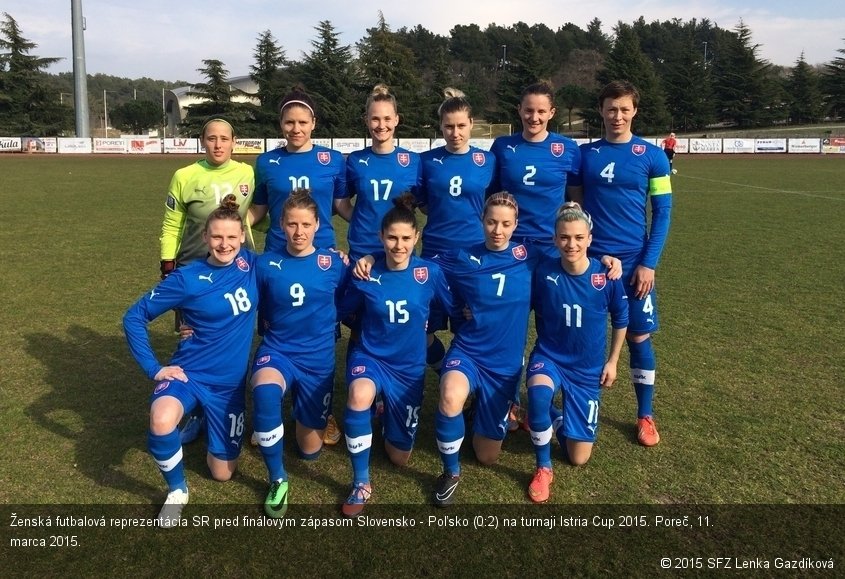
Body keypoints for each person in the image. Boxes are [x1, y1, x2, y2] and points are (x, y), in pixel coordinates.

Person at [123, 195, 258, 526]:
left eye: (231, 237)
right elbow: (134, 317)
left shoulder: (253, 265)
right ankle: (177, 490)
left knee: (222, 473)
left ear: (242, 236)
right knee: (161, 419)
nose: (224, 244)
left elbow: (293, 266)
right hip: (190, 373)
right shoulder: (186, 278)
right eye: (216, 237)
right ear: (205, 239)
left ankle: (199, 416)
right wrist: (155, 369)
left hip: (228, 385)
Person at [569, 80, 673, 447]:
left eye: (624, 109)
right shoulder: (586, 155)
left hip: (634, 265)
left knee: (638, 335)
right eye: (611, 109)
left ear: (634, 112)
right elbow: (577, 209)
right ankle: (574, 405)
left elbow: (662, 214)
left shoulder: (653, 155)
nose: (617, 116)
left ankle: (645, 415)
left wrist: (649, 263)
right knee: (584, 333)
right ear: (601, 111)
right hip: (592, 264)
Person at [338, 193, 453, 517]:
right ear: (381, 237)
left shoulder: (429, 273)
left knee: (398, 456)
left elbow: (454, 306)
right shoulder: (365, 273)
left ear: (416, 237)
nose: (399, 245)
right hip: (371, 356)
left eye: (405, 238)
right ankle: (361, 482)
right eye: (392, 238)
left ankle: (387, 408)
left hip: (408, 367)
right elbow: (342, 309)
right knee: (358, 395)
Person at [250, 86, 347, 445]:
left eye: (302, 121)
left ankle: (322, 408)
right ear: (280, 124)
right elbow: (257, 210)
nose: (296, 128)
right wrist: (222, 227)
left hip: (322, 261)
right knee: (278, 329)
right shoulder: (267, 162)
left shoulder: (333, 161)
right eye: (289, 122)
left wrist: (380, 232)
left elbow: (342, 207)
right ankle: (270, 409)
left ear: (314, 123)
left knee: (322, 335)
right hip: (277, 259)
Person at [250, 190, 350, 518]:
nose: (299, 232)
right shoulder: (265, 265)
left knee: (310, 451)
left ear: (318, 224)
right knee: (264, 391)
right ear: (280, 224)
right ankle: (277, 478)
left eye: (306, 224)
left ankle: (298, 416)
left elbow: (362, 293)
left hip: (317, 360)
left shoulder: (333, 263)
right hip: (278, 351)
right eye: (292, 224)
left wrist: (361, 261)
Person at [158, 118, 255, 445]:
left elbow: (259, 215)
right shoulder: (184, 176)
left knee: (233, 340)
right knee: (191, 337)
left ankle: (231, 408)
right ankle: (198, 408)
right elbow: (172, 224)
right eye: (211, 138)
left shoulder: (247, 174)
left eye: (224, 139)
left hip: (235, 272)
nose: (218, 145)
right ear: (202, 141)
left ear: (233, 141)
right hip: (192, 273)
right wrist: (168, 266)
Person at [524, 202, 628, 502]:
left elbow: (621, 319)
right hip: (550, 358)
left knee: (578, 457)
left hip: (587, 369)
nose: (572, 244)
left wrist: (613, 361)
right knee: (539, 394)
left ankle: (553, 418)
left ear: (590, 239)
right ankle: (543, 467)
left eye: (579, 238)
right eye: (565, 237)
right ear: (555, 239)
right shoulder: (543, 270)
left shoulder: (605, 276)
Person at [417, 88, 497, 367]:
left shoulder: (486, 161)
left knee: (470, 326)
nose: (455, 132)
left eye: (461, 125)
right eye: (448, 126)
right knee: (422, 329)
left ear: (472, 124)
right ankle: (445, 372)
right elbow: (423, 204)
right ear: (440, 126)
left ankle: (466, 384)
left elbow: (495, 203)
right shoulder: (426, 162)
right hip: (434, 254)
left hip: (473, 255)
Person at [490, 81, 581, 254]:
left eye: (541, 111)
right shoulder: (502, 146)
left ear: (551, 113)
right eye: (529, 110)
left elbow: (576, 198)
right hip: (510, 242)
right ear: (519, 110)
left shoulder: (568, 148)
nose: (534, 118)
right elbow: (492, 195)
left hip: (552, 243)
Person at [336, 84, 422, 260]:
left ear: (396, 120)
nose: (381, 125)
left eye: (387, 119)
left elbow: (422, 205)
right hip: (363, 249)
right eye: (375, 119)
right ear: (366, 120)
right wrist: (363, 222)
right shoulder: (354, 160)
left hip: (400, 252)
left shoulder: (413, 161)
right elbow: (341, 204)